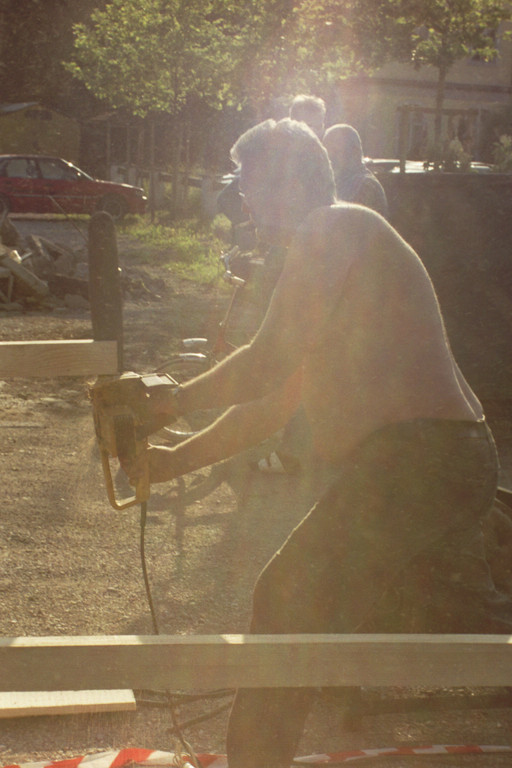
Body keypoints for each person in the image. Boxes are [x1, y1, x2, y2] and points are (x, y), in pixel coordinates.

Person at [124, 118, 505, 768]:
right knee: (441, 614)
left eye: (251, 186)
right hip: (431, 461)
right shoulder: (325, 252)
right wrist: (172, 460)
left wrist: (170, 402)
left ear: (290, 181)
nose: (244, 203)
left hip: (424, 459)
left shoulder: (333, 228)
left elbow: (266, 360)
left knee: (288, 598)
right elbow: (272, 405)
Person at [322, 123, 389, 218]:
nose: (330, 158)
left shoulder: (365, 186)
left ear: (355, 152)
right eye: (327, 153)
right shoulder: (335, 182)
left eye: (336, 152)